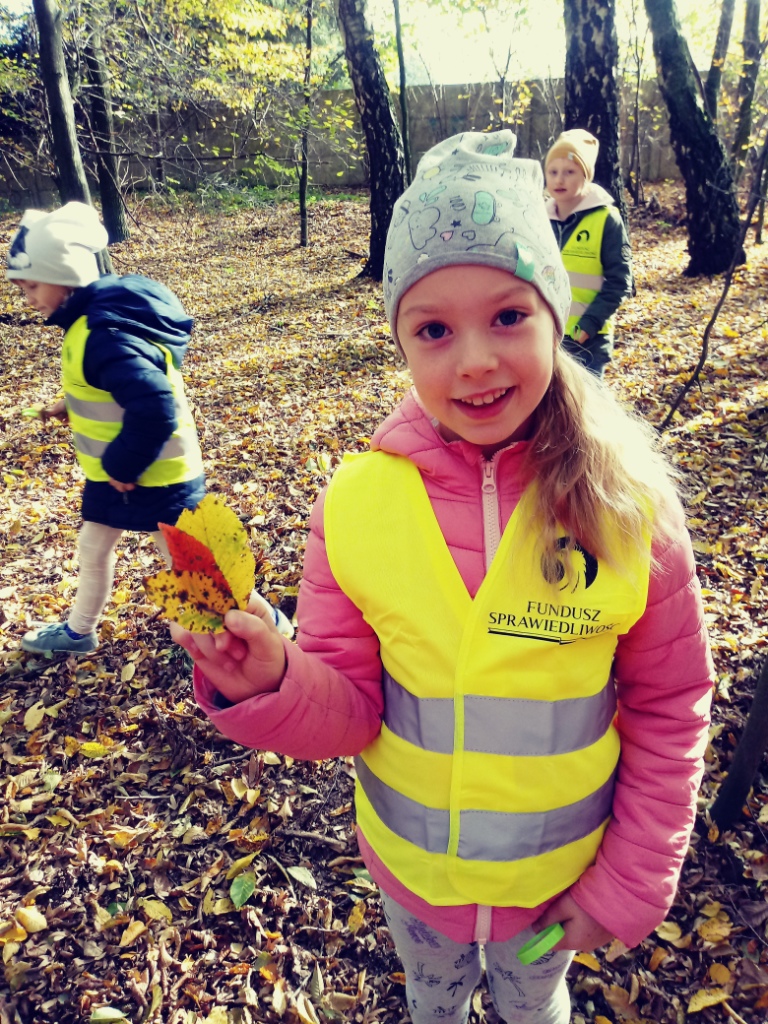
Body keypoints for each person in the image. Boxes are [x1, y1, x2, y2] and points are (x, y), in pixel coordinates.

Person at [171, 131, 713, 1024]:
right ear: (401, 344)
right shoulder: (357, 503)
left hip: (555, 882)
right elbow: (348, 709)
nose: (473, 360)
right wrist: (273, 678)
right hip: (416, 883)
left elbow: (671, 702)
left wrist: (627, 884)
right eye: (433, 329)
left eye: (508, 316)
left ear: (555, 316)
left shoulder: (627, 508)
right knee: (434, 1005)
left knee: (535, 1008)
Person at [8, 201, 206, 655]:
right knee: (93, 549)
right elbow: (112, 387)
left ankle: (256, 621)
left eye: (33, 286)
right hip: (117, 477)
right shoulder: (89, 324)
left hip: (154, 475)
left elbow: (155, 405)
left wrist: (121, 465)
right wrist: (69, 405)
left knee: (190, 564)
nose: (29, 299)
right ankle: (79, 632)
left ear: (65, 275)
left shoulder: (103, 334)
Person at [544, 128, 632, 378]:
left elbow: (620, 282)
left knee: (586, 411)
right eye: (553, 172)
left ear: (586, 175)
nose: (559, 180)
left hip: (588, 339)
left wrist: (590, 324)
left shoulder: (606, 220)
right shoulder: (539, 218)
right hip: (547, 336)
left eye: (569, 172)